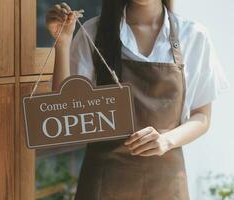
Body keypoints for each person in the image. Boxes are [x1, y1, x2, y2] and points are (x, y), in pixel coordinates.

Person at [46, 0, 229, 199]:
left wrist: (166, 140)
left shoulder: (193, 36)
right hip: (103, 183)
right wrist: (63, 42)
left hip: (166, 184)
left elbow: (202, 117)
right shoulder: (93, 32)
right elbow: (64, 113)